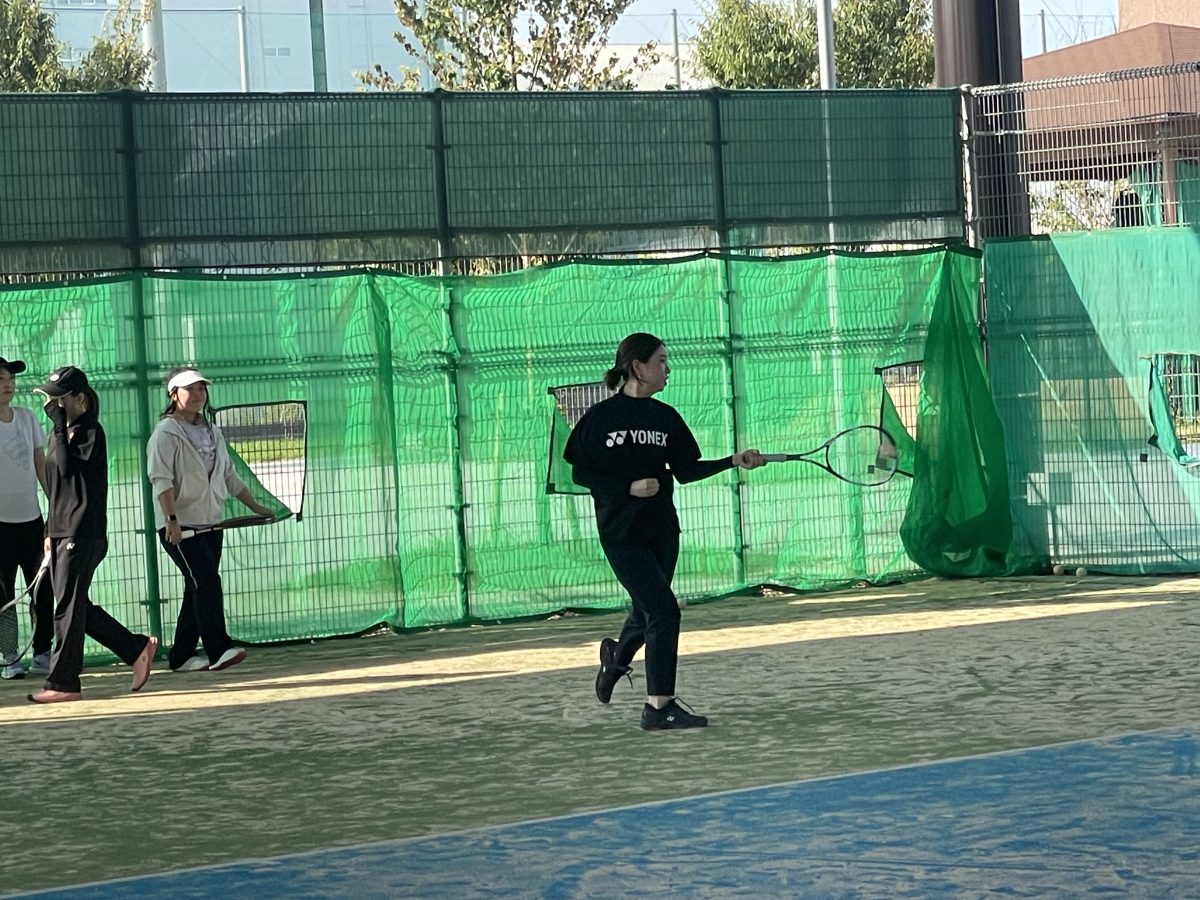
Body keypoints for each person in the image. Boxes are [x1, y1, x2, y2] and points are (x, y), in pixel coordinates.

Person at [564, 333, 764, 730]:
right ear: (638, 367)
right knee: (663, 610)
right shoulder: (600, 418)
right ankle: (658, 707)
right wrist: (628, 488)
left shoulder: (665, 417)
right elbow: (579, 473)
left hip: (662, 532)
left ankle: (616, 658)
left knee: (648, 610)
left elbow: (686, 471)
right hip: (622, 536)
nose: (667, 369)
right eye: (661, 361)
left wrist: (733, 460)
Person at [29, 366, 156, 704]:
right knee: (73, 605)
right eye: (49, 400)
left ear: (79, 399)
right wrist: (50, 530)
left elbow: (69, 470)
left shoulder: (89, 432)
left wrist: (59, 426)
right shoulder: (60, 434)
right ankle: (134, 648)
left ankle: (64, 683)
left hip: (83, 532)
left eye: (59, 399)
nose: (52, 406)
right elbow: (56, 488)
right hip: (61, 531)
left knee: (68, 608)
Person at [147, 367, 273, 673]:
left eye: (201, 388)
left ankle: (181, 655)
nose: (198, 394)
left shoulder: (213, 431)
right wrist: (171, 520)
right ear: (173, 394)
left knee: (197, 586)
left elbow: (229, 477)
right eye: (190, 389)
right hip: (181, 526)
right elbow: (161, 480)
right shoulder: (165, 433)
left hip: (211, 523)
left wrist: (258, 507)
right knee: (206, 582)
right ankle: (219, 648)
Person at [0, 357, 57, 680]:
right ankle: (10, 658)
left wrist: (56, 508)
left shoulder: (26, 418)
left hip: (32, 522)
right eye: (0, 379)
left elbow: (40, 463)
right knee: (3, 596)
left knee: (42, 589)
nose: (8, 384)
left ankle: (42, 653)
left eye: (10, 378)